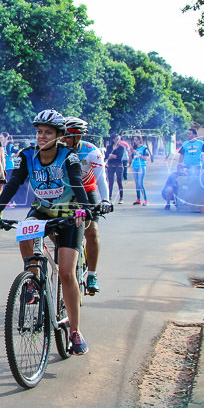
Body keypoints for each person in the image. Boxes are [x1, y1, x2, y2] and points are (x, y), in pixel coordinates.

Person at [0, 109, 93, 355]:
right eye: (39, 132)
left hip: (69, 213)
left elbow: (78, 184)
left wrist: (84, 209)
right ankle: (33, 279)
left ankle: (76, 332)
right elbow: (14, 184)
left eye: (48, 132)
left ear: (59, 135)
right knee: (24, 231)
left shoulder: (69, 157)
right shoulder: (27, 156)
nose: (42, 136)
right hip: (42, 210)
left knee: (67, 273)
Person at [63, 117, 110, 294]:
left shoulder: (92, 152)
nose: (64, 140)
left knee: (92, 231)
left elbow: (102, 178)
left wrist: (105, 200)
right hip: (66, 193)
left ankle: (92, 274)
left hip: (88, 190)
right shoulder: (58, 151)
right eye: (62, 135)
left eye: (68, 136)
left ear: (79, 136)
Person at [104, 134, 127, 204]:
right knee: (110, 182)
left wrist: (112, 156)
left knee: (119, 181)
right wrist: (112, 156)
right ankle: (109, 197)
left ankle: (121, 198)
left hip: (118, 165)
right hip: (110, 165)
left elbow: (119, 157)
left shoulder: (121, 148)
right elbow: (106, 156)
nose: (118, 141)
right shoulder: (109, 147)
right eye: (116, 139)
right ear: (113, 140)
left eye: (119, 139)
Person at [130, 135, 151, 205]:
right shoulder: (134, 148)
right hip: (135, 166)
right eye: (134, 140)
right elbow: (132, 157)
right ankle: (138, 199)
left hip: (141, 166)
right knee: (136, 183)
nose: (135, 142)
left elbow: (145, 158)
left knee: (140, 183)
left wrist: (138, 154)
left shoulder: (144, 148)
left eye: (136, 140)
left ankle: (145, 200)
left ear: (140, 140)